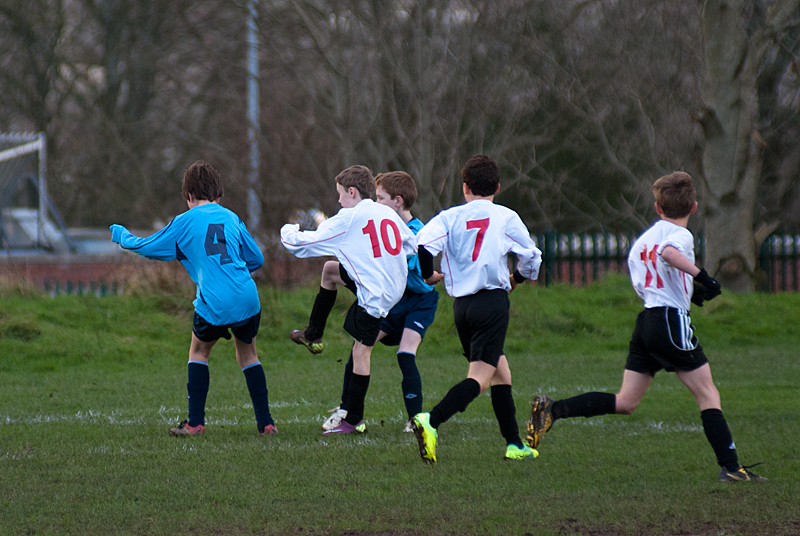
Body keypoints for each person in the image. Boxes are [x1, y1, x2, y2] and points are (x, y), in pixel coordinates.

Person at [526, 171, 768, 483]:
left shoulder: (643, 241)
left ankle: (552, 409)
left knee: (626, 401)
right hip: (669, 321)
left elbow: (648, 282)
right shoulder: (679, 236)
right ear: (693, 207)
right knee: (708, 394)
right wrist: (702, 276)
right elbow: (668, 254)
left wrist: (687, 292)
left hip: (648, 322)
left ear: (657, 208)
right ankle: (732, 468)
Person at [110, 160, 276, 437]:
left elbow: (147, 247)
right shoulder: (231, 216)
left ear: (188, 196)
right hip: (248, 297)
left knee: (199, 352)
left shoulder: (183, 222)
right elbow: (256, 258)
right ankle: (266, 424)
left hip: (214, 301)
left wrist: (122, 236)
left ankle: (195, 423)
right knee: (248, 355)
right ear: (218, 196)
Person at [410, 155, 542, 462]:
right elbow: (532, 256)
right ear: (497, 186)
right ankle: (431, 420)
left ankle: (514, 444)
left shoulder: (450, 216)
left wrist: (429, 275)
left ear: (465, 187)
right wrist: (518, 278)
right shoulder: (506, 217)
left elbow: (423, 246)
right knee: (480, 378)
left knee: (500, 373)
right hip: (491, 302)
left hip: (462, 307)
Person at [300, 171, 440, 433]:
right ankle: (349, 411)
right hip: (392, 302)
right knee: (360, 346)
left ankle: (416, 419)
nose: (375, 203)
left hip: (418, 302)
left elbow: (414, 263)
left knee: (405, 354)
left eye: (380, 198)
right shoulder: (377, 221)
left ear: (398, 201)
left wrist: (431, 274)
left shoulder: (416, 232)